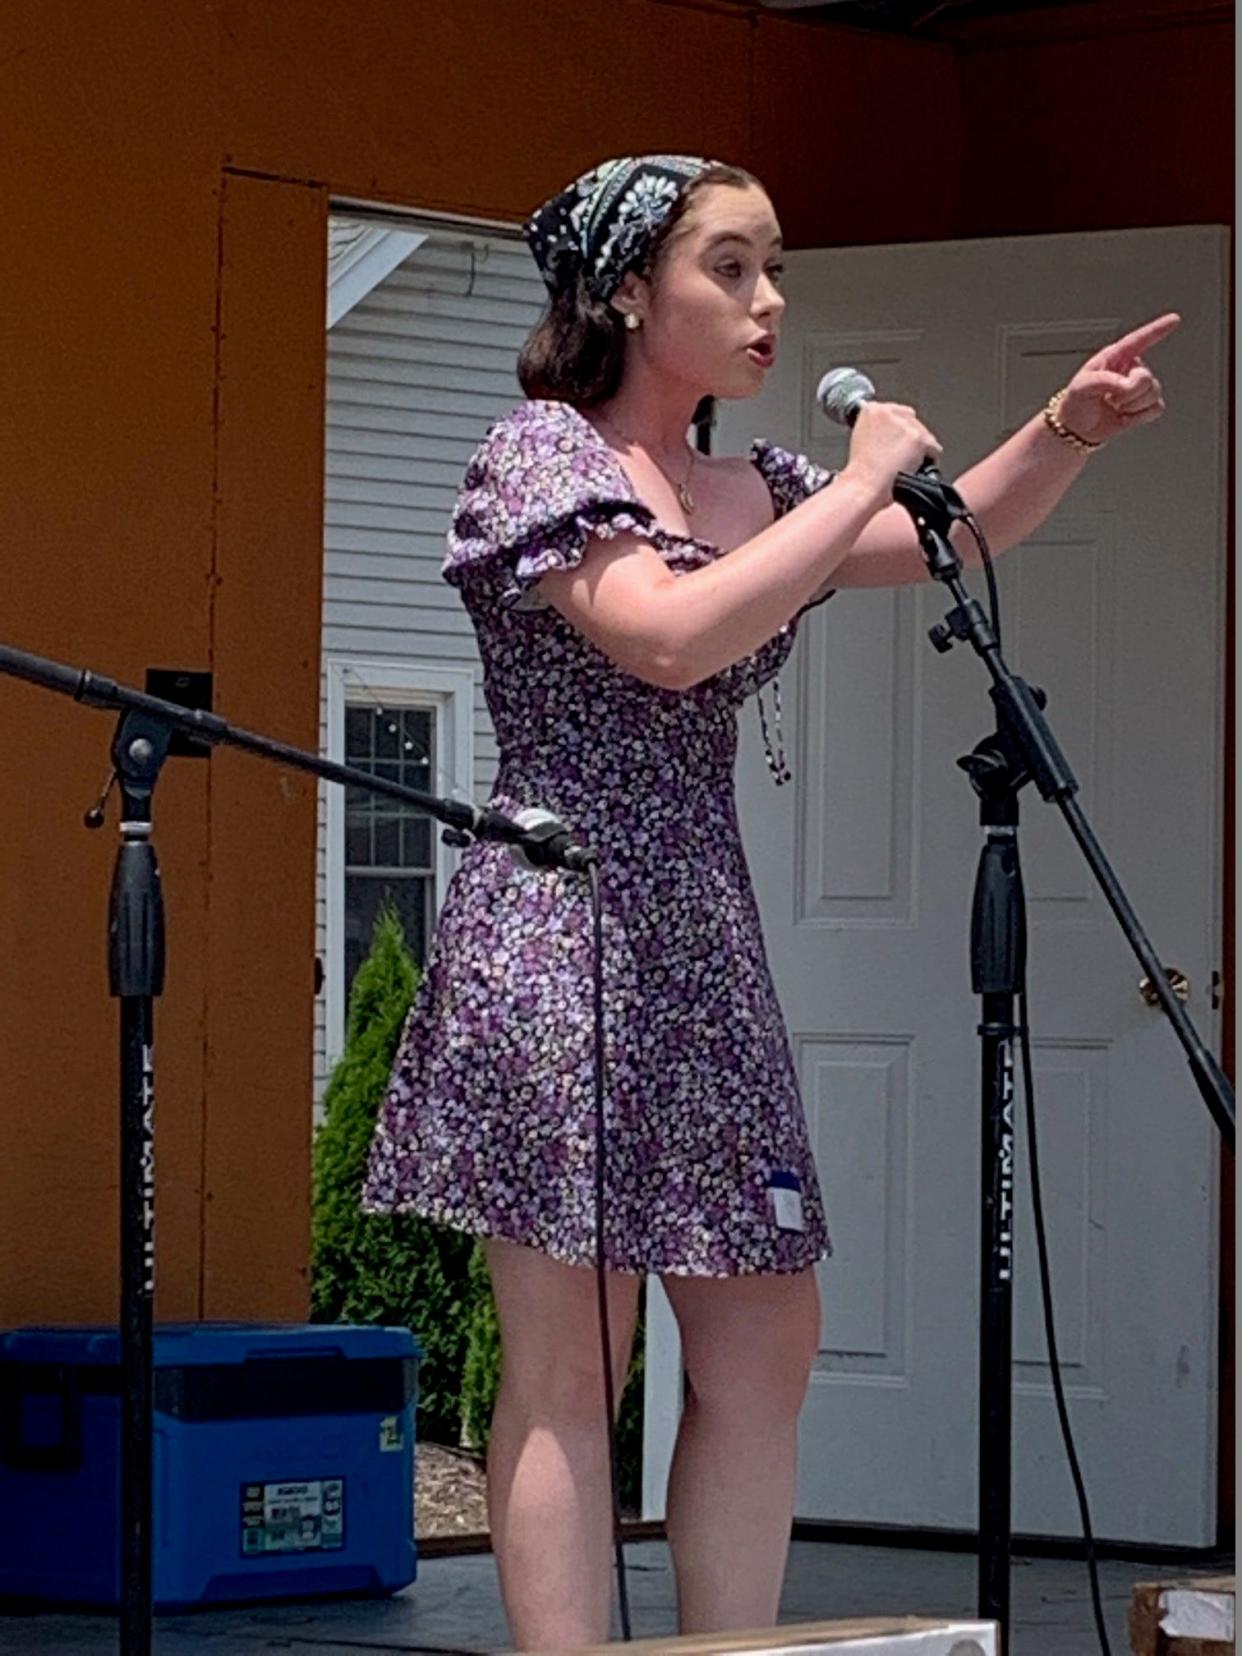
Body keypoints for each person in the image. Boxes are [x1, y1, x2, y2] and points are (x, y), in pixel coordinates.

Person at [362, 154, 1173, 1651]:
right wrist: (862, 477)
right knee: (570, 1362)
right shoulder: (541, 458)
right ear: (621, 291)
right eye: (728, 268)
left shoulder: (759, 487)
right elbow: (664, 638)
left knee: (761, 1338)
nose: (768, 302)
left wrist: (1064, 427)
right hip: (561, 929)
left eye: (774, 267)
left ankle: (726, 1651)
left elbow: (955, 528)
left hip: (703, 936)